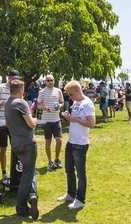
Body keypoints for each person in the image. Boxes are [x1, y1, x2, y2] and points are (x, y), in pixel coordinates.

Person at [57, 81, 95, 210]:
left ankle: (80, 199)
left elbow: (91, 123)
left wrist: (75, 119)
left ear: (78, 91)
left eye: (71, 94)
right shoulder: (77, 102)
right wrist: (69, 117)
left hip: (80, 143)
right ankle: (71, 194)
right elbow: (76, 118)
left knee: (80, 173)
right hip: (71, 141)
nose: (70, 97)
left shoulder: (88, 104)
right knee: (69, 169)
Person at [5, 80, 39, 220]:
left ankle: (32, 196)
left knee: (29, 172)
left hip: (16, 144)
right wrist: (35, 120)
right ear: (20, 90)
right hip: (27, 143)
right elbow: (31, 124)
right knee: (27, 175)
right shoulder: (21, 102)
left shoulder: (8, 103)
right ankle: (22, 207)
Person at [0, 70, 20, 184]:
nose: (15, 80)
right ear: (8, 77)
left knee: (16, 148)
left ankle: (16, 172)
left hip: (14, 123)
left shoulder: (18, 88)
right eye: (13, 78)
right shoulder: (0, 88)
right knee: (3, 148)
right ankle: (4, 173)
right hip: (1, 123)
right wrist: (2, 103)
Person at [38, 74, 65, 170]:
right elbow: (38, 105)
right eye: (48, 80)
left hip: (56, 119)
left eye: (51, 80)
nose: (49, 82)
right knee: (48, 141)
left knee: (59, 140)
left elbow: (62, 102)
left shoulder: (58, 91)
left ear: (54, 81)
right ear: (45, 82)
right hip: (46, 120)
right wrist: (45, 108)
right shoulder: (42, 92)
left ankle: (57, 159)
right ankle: (50, 161)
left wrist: (59, 106)